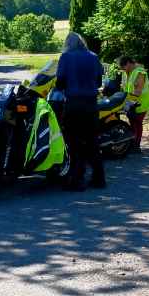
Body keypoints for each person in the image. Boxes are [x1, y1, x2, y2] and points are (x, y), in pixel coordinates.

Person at [56, 32, 106, 190]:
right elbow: (98, 81)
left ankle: (77, 180)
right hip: (91, 104)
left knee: (74, 142)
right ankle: (99, 179)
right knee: (92, 141)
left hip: (73, 104)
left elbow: (60, 82)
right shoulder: (93, 56)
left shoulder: (66, 57)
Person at [118, 56, 149, 154]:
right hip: (131, 102)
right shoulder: (126, 72)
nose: (123, 69)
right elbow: (125, 88)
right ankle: (132, 144)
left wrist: (127, 97)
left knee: (137, 123)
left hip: (141, 102)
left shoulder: (140, 72)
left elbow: (138, 91)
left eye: (124, 67)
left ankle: (136, 146)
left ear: (129, 63)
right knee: (132, 123)